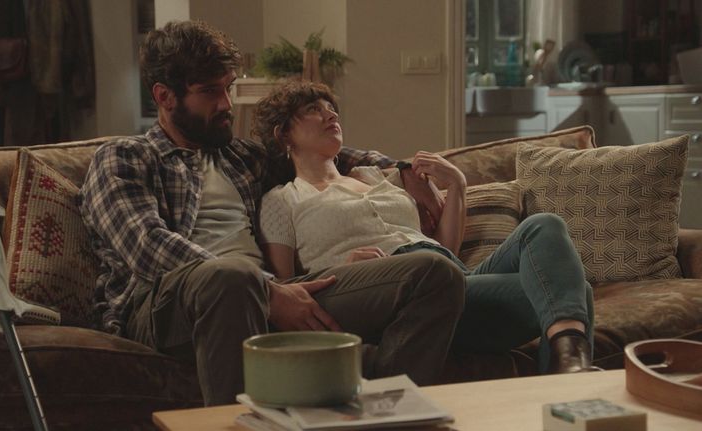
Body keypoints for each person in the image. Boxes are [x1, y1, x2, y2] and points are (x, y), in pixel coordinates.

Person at [77, 20, 466, 406]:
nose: (226, 104)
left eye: (228, 87)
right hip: (168, 305)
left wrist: (404, 171)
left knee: (433, 272)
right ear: (164, 96)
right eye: (210, 91)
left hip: (272, 294)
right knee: (232, 275)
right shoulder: (124, 157)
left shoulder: (240, 158)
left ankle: (384, 410)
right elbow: (147, 247)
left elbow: (320, 153)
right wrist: (268, 290)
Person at [254, 80, 599, 375]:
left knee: (544, 227)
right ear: (283, 134)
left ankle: (568, 371)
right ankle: (569, 380)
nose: (331, 115)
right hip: (393, 293)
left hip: (452, 277)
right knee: (573, 295)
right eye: (314, 110)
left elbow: (443, 251)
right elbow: (288, 288)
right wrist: (345, 274)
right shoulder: (281, 200)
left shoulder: (375, 177)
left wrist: (458, 185)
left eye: (332, 108)